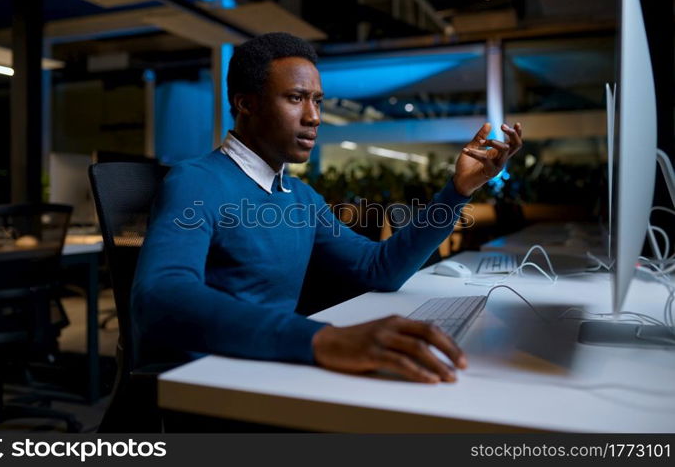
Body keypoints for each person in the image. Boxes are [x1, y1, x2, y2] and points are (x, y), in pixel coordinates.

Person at [133, 32, 522, 384]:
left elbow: (379, 269)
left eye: (317, 101)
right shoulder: (195, 180)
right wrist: (321, 338)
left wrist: (457, 191)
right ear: (245, 104)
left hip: (274, 367)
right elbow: (161, 293)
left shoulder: (299, 198)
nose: (314, 117)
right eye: (295, 98)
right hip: (214, 380)